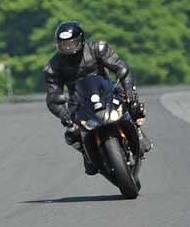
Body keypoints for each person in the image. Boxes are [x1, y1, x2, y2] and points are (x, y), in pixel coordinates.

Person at [45, 21, 151, 175]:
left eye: (71, 43)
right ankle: (86, 153)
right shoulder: (52, 67)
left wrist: (129, 92)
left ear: (81, 40)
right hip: (78, 101)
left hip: (106, 91)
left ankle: (138, 132)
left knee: (134, 105)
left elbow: (121, 67)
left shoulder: (98, 48)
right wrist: (63, 113)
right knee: (71, 132)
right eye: (64, 44)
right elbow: (52, 94)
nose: (68, 47)